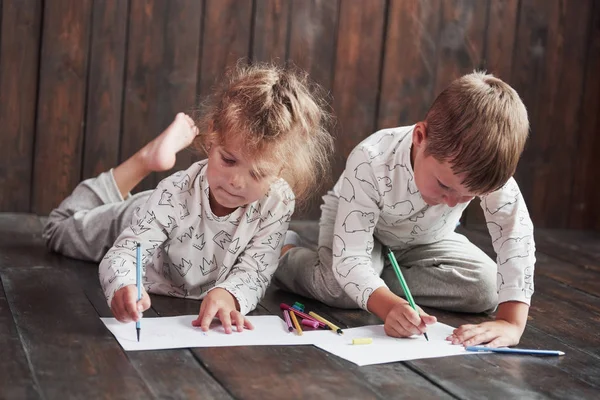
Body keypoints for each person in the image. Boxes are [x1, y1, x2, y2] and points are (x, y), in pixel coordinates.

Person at [43, 63, 334, 333]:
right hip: (140, 216)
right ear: (212, 137)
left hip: (194, 245)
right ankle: (145, 160)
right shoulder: (174, 193)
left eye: (257, 174)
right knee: (58, 229)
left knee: (277, 241)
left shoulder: (278, 201)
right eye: (228, 160)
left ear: (282, 170)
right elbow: (124, 253)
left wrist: (228, 294)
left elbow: (255, 272)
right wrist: (124, 284)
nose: (236, 181)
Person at [275, 71, 535, 348]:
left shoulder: (487, 172)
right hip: (362, 232)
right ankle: (286, 253)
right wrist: (387, 307)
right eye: (444, 186)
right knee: (340, 288)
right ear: (420, 137)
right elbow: (351, 255)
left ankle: (370, 279)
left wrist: (510, 322)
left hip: (428, 239)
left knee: (486, 289)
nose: (451, 202)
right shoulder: (371, 159)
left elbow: (514, 235)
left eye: (467, 197)